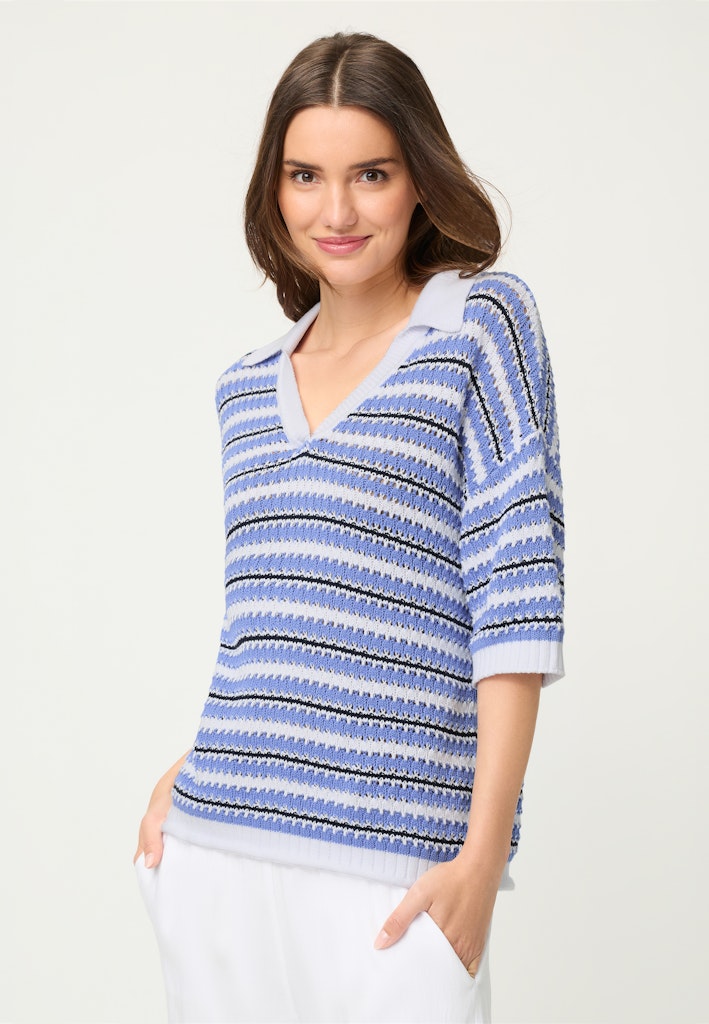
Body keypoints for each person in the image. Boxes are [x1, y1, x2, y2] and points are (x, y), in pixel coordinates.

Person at [134, 30, 565, 1024]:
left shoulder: (479, 326)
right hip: (217, 855)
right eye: (305, 176)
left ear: (419, 179)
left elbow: (517, 597)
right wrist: (191, 774)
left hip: (394, 877)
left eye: (370, 173)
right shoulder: (245, 388)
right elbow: (272, 621)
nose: (335, 212)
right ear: (273, 190)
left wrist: (479, 856)